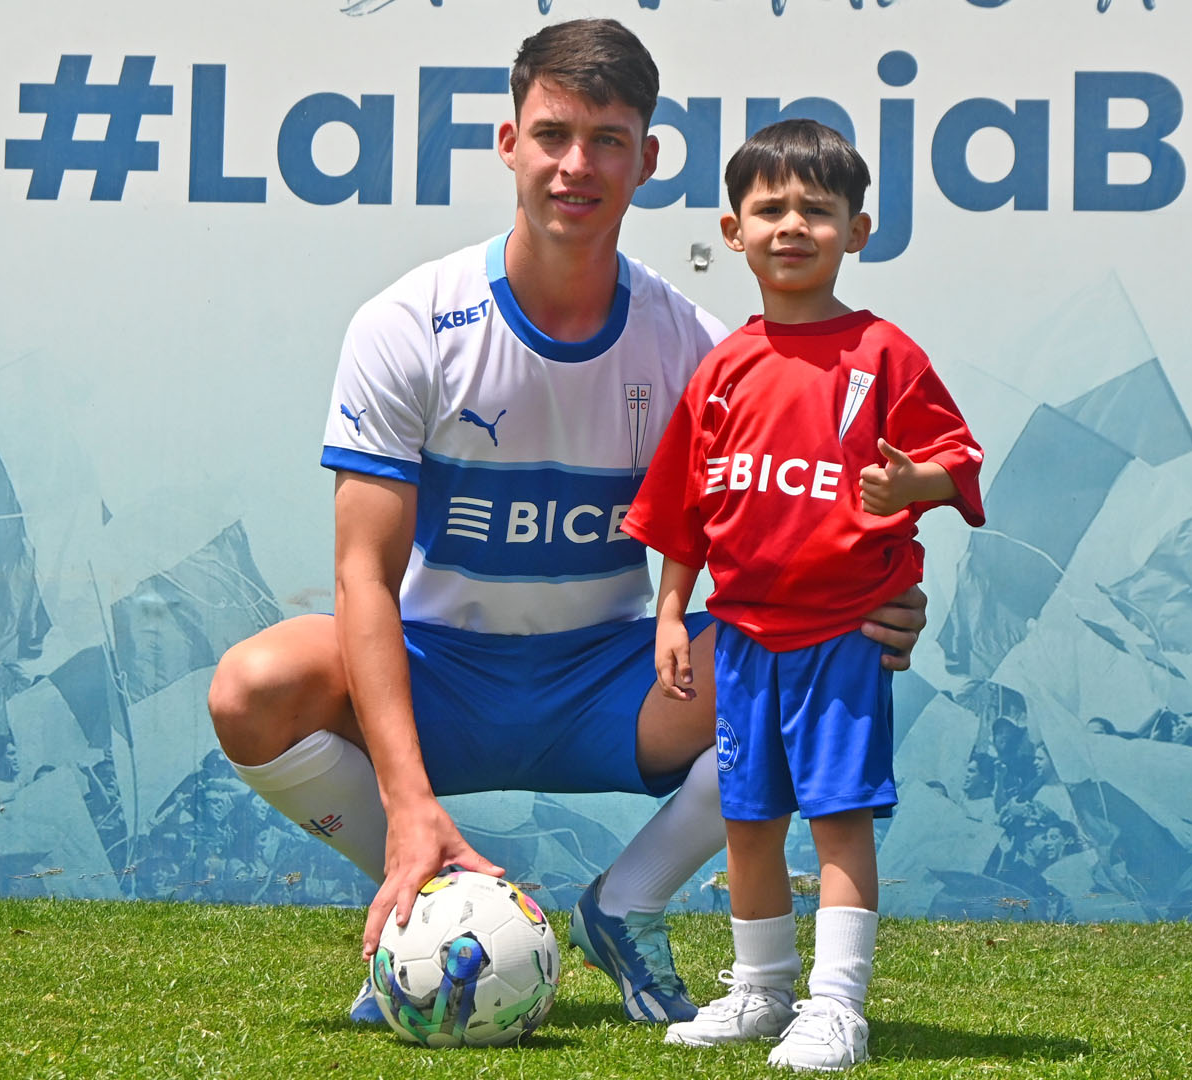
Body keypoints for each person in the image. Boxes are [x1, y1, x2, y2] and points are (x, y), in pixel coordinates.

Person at [203, 19, 928, 1026]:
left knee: (826, 640)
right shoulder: (409, 324)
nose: (575, 165)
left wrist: (876, 598)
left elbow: (787, 542)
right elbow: (363, 579)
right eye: (552, 135)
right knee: (253, 686)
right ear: (509, 144)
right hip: (437, 677)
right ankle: (432, 898)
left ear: (650, 159)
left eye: (608, 140)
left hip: (613, 688)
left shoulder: (695, 349)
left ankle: (623, 904)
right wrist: (409, 805)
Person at [620, 118, 984, 1070]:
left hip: (844, 636)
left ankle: (837, 1007)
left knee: (837, 819)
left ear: (856, 231)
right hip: (740, 639)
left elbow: (960, 462)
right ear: (732, 232)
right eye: (769, 208)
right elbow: (683, 510)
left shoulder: (884, 355)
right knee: (747, 820)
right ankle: (760, 991)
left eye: (816, 210)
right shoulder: (724, 368)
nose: (792, 226)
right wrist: (669, 613)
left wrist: (917, 486)